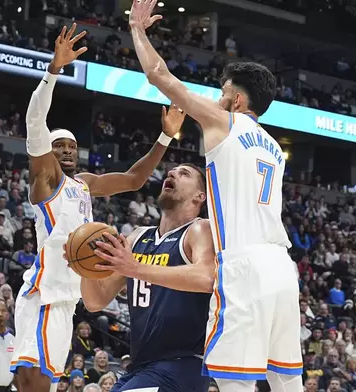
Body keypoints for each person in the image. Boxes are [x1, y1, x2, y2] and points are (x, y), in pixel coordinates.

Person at [127, 2, 301, 391]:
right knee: (287, 380)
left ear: (237, 101)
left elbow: (159, 74)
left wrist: (137, 29)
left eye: (222, 92)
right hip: (282, 269)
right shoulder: (274, 147)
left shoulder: (224, 121)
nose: (217, 98)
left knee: (232, 383)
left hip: (244, 265)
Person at [11, 22, 185, 392]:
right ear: (48, 152)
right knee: (33, 383)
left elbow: (134, 179)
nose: (68, 151)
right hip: (46, 293)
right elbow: (34, 122)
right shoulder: (46, 180)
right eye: (60, 146)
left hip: (66, 296)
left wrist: (165, 135)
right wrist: (53, 71)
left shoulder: (85, 183)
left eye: (72, 146)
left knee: (34, 383)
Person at [76, 164, 214, 392]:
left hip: (182, 365)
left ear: (200, 196)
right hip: (140, 366)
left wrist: (135, 268)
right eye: (172, 172)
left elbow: (206, 277)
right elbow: (96, 301)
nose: (171, 174)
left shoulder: (199, 229)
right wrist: (87, 266)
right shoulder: (139, 236)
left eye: (184, 174)